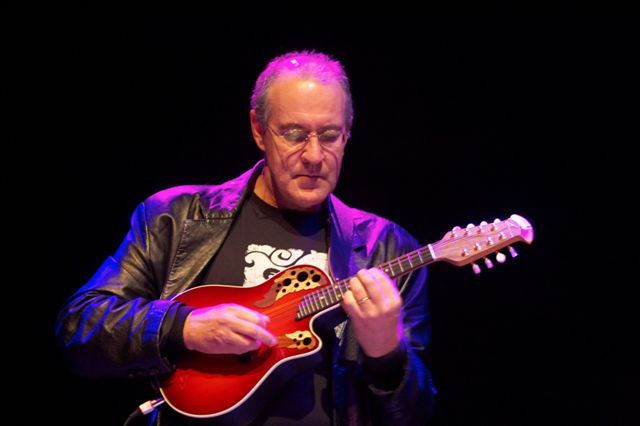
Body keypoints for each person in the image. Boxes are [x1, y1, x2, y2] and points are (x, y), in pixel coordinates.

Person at [56, 50, 436, 425]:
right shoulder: (176, 217)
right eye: (294, 135)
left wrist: (388, 354)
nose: (314, 155)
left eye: (330, 136)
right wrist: (185, 328)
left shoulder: (386, 247)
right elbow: (80, 328)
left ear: (348, 133)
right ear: (258, 129)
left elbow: (416, 415)